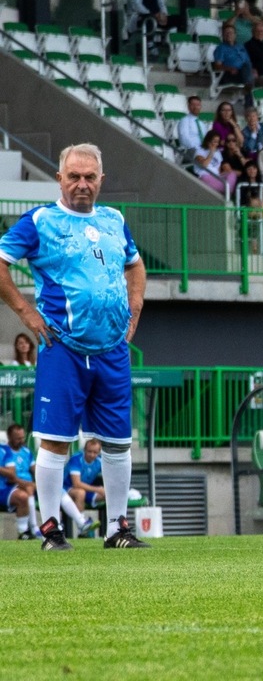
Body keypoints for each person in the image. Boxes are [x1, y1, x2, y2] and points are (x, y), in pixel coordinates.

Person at [0, 143, 149, 550]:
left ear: (101, 180)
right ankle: (50, 530)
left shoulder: (114, 220)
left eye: (89, 177)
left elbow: (135, 265)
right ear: (59, 178)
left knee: (119, 442)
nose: (81, 184)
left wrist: (134, 308)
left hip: (113, 350)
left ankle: (118, 529)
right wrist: (27, 315)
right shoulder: (40, 221)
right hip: (63, 348)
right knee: (55, 440)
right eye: (73, 176)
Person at [58, 438, 102, 538]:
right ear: (84, 450)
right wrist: (98, 489)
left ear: (99, 452)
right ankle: (83, 529)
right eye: (89, 451)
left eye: (95, 452)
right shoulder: (76, 459)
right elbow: (76, 484)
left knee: (108, 495)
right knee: (80, 492)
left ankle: (112, 529)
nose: (92, 455)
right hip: (67, 488)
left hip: (86, 489)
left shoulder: (99, 461)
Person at [0, 424, 37, 539]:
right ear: (10, 437)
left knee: (23, 496)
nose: (21, 441)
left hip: (2, 488)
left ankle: (23, 532)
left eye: (22, 437)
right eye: (18, 438)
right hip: (13, 485)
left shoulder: (4, 451)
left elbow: (11, 473)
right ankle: (34, 528)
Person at [213, 24, 257, 108]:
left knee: (248, 69)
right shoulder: (221, 48)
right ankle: (249, 103)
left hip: (244, 73)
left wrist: (253, 70)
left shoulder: (241, 46)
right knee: (248, 76)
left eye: (231, 32)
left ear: (235, 35)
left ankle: (247, 93)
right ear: (223, 35)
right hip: (230, 74)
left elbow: (247, 62)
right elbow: (217, 66)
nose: (229, 34)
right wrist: (229, 68)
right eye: (226, 33)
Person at [194, 130, 237, 196]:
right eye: (214, 141)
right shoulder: (200, 151)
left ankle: (228, 192)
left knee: (232, 173)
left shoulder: (218, 153)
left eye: (217, 142)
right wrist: (211, 152)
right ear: (208, 141)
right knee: (226, 186)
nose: (216, 144)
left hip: (216, 176)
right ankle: (228, 194)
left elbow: (218, 170)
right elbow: (204, 165)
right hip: (205, 176)